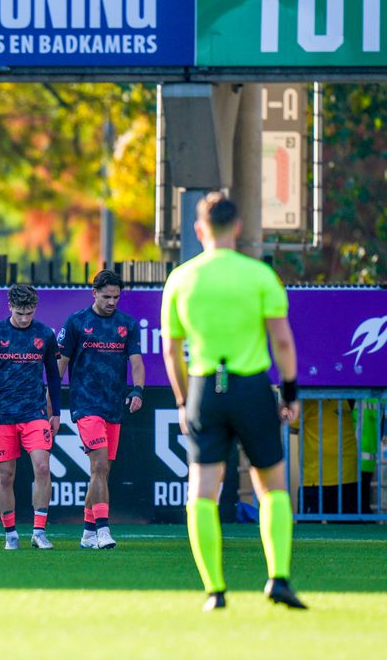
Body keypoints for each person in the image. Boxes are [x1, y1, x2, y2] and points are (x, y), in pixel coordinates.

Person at [161, 192, 305, 611]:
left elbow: (172, 352)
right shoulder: (259, 275)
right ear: (238, 228)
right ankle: (278, 579)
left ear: (199, 229)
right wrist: (290, 393)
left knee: (202, 492)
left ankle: (215, 591)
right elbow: (281, 339)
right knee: (272, 487)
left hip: (207, 388)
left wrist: (184, 401)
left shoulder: (181, 279)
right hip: (252, 388)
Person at [58, 269, 145, 550]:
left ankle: (87, 532)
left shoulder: (127, 325)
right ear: (94, 293)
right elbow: (60, 364)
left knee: (101, 472)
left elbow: (137, 363)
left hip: (113, 405)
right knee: (99, 465)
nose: (111, 302)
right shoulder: (76, 323)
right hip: (85, 404)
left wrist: (138, 390)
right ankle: (104, 530)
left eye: (116, 297)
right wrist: (48, 401)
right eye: (106, 296)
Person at [0, 283, 61, 551]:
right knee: (6, 475)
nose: (25, 319)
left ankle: (39, 531)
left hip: (34, 413)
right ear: (10, 306)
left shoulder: (44, 334)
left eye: (29, 313)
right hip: (1, 416)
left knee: (43, 467)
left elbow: (54, 376)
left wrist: (55, 411)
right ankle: (10, 533)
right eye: (20, 313)